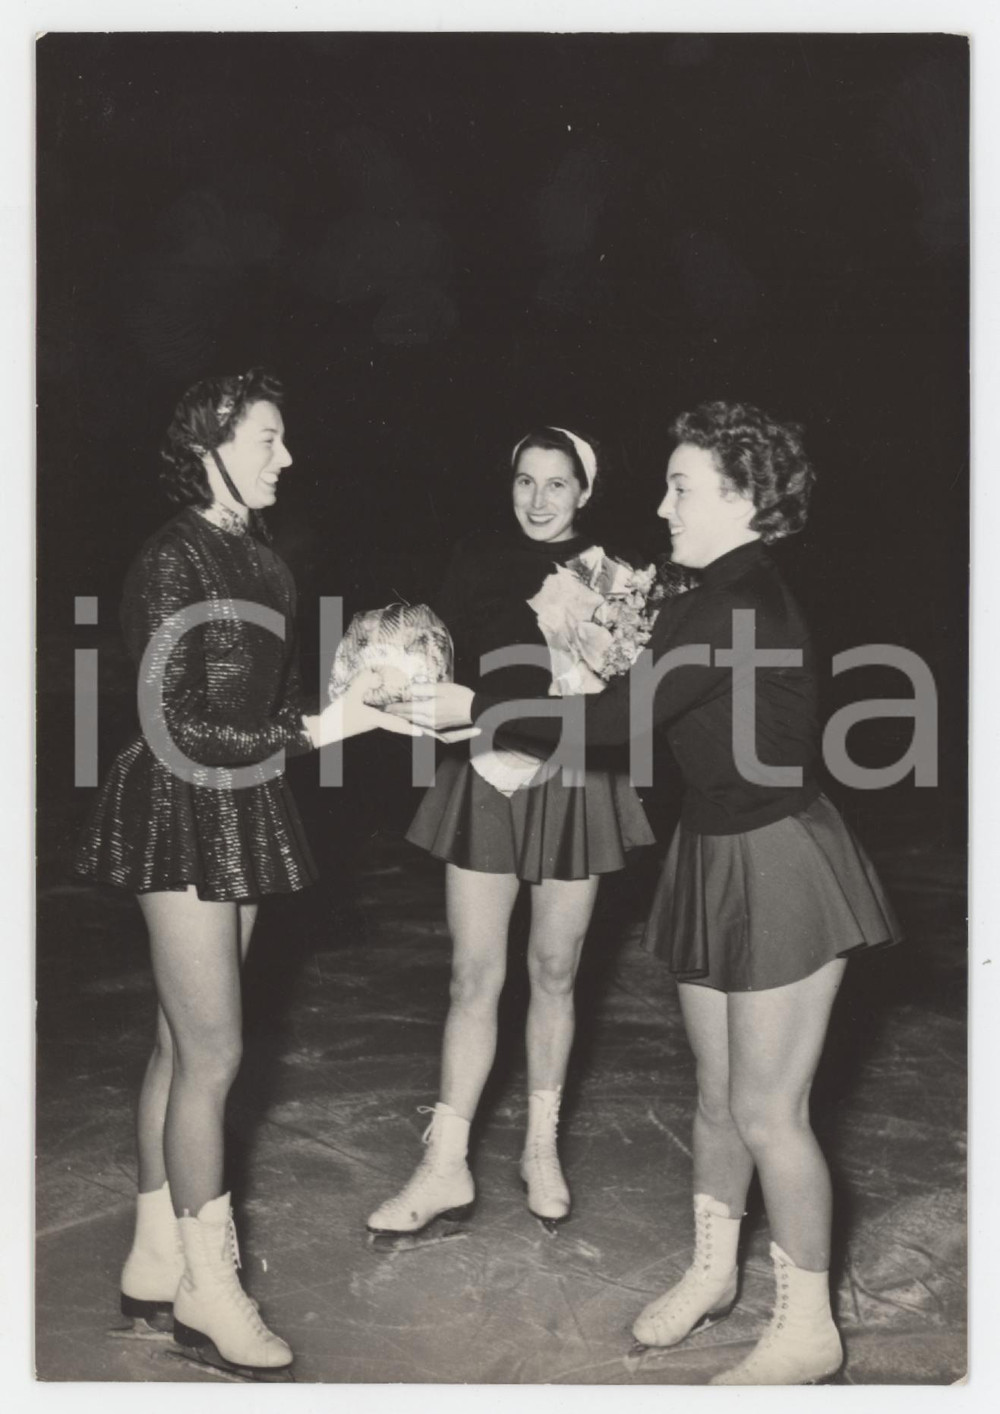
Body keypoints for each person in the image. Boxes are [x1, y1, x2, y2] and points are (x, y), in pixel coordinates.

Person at [388, 401, 900, 1385]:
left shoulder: (739, 605)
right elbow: (618, 681)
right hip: (713, 849)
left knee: (770, 1111)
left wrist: (476, 705)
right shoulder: (709, 593)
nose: (661, 507)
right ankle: (713, 1272)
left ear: (741, 498)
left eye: (681, 487)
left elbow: (617, 722)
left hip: (781, 863)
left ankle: (806, 1329)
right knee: (716, 1097)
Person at [73, 368, 416, 1375]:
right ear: (208, 447)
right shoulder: (171, 556)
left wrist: (368, 699)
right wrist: (322, 727)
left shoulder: (264, 560)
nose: (287, 456)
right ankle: (208, 1291)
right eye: (268, 438)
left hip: (244, 802)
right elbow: (173, 720)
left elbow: (279, 702)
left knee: (182, 1046)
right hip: (177, 804)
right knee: (215, 1053)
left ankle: (154, 1253)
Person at [365, 427, 657, 1237]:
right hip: (487, 771)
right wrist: (394, 675)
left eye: (557, 483)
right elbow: (440, 660)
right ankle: (445, 1165)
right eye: (525, 481)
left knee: (556, 969)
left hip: (576, 775)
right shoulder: (475, 557)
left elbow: (624, 699)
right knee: (473, 974)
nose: (538, 499)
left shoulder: (617, 574)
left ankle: (539, 1148)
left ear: (584, 491)